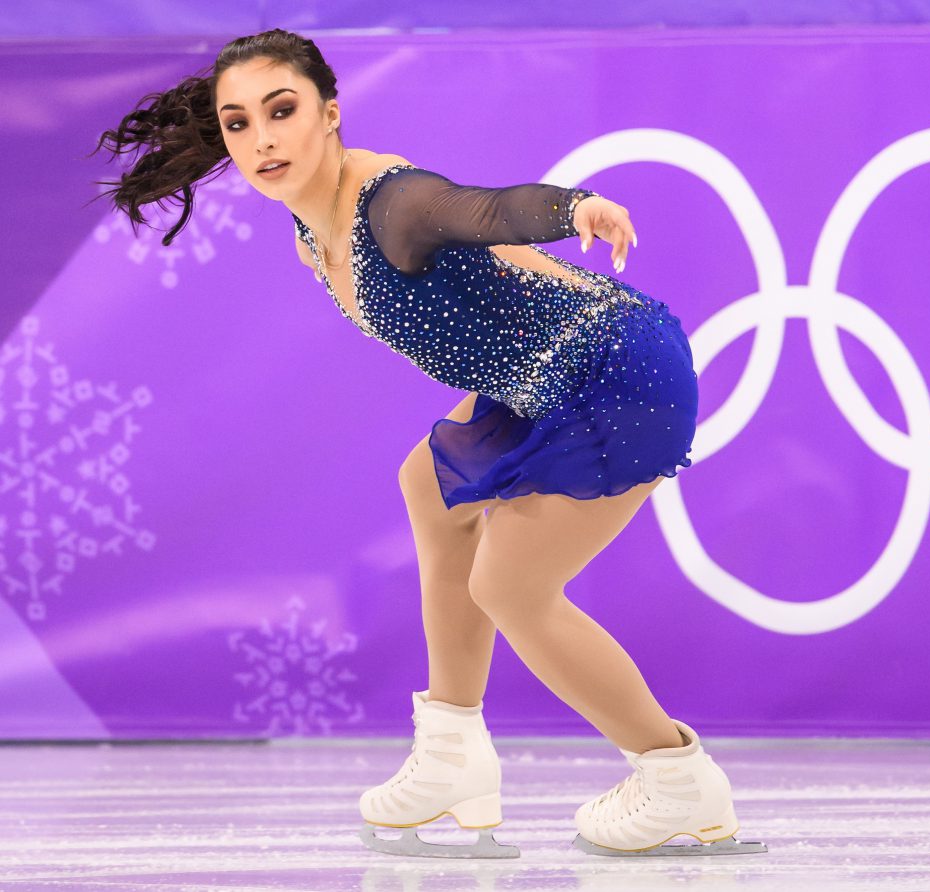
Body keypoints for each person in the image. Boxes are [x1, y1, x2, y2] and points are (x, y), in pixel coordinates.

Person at [91, 28, 766, 859]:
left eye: (282, 110)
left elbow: (482, 210)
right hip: (541, 375)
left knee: (511, 589)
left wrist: (570, 209)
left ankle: (676, 780)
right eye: (239, 123)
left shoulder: (388, 203)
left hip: (614, 366)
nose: (261, 139)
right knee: (429, 481)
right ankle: (452, 752)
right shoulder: (312, 239)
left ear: (328, 114)